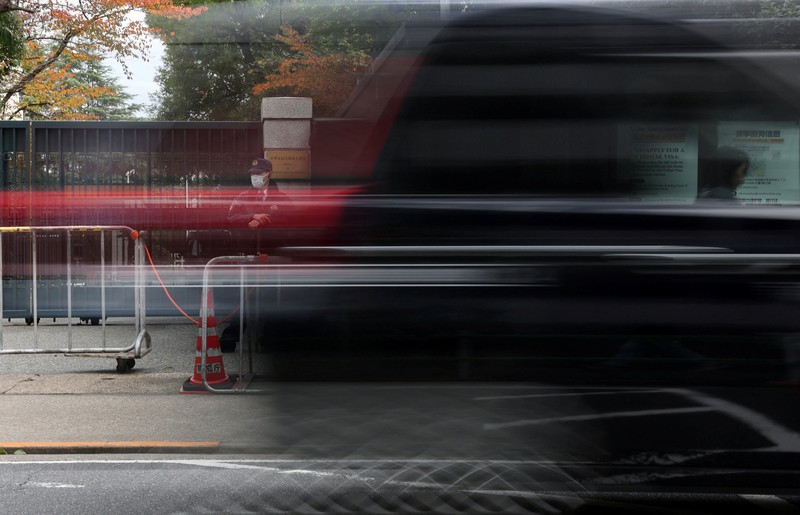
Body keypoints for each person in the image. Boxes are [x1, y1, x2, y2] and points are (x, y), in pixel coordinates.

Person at [227, 157, 289, 231]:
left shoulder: (282, 198)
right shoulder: (243, 197)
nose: (255, 177)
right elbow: (232, 217)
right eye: (252, 174)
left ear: (269, 174)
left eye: (258, 173)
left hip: (273, 240)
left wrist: (263, 221)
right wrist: (252, 216)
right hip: (248, 240)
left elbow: (289, 219)